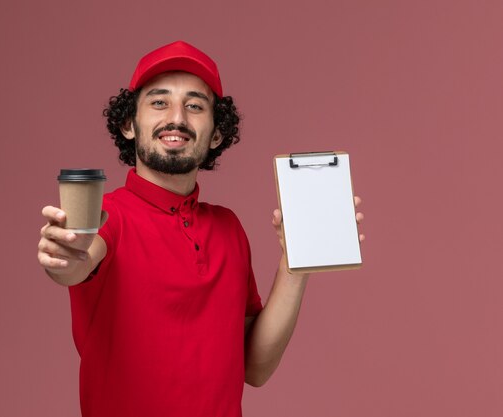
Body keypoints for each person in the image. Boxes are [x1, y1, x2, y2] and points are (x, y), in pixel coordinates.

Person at [37, 41, 364, 417]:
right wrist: (63, 255)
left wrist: (295, 264)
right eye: (159, 102)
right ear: (129, 124)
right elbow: (78, 260)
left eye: (195, 105)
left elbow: (255, 368)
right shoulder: (109, 215)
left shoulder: (229, 229)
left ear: (216, 134)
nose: (177, 117)